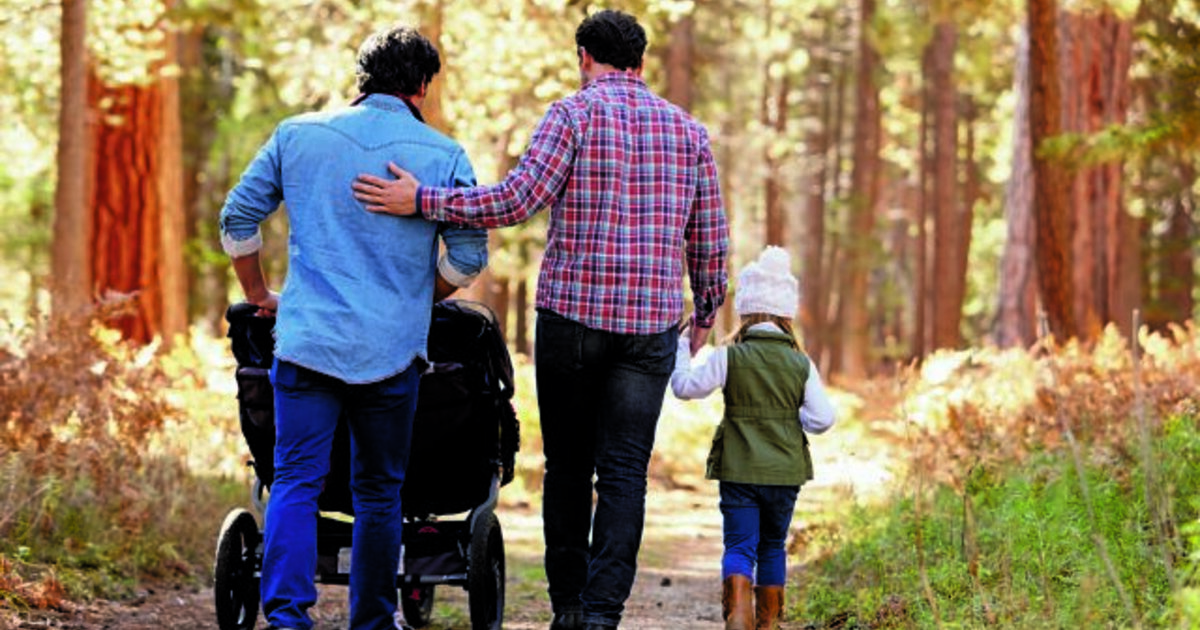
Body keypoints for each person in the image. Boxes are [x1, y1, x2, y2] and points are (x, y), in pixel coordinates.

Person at [350, 10, 729, 629]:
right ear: (640, 63)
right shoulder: (689, 133)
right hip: (649, 327)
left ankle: (569, 608)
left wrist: (423, 200)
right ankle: (603, 616)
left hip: (571, 320)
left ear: (585, 57)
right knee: (625, 472)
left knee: (569, 466)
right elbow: (710, 236)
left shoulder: (570, 116)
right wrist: (706, 309)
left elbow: (517, 200)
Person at [218, 25, 489, 630]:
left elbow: (237, 218)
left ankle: (287, 618)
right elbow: (468, 260)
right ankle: (371, 621)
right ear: (422, 86)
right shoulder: (443, 155)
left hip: (307, 342)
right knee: (379, 492)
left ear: (361, 78)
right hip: (391, 352)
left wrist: (258, 294)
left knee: (295, 480)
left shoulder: (297, 134)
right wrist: (417, 299)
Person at [670, 246, 835, 630]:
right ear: (786, 315)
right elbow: (823, 418)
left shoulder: (729, 356)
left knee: (739, 546)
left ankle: (738, 618)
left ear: (746, 311)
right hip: (785, 473)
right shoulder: (801, 363)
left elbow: (684, 387)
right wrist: (791, 419)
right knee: (773, 546)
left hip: (739, 468)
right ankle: (768, 624)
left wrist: (681, 348)